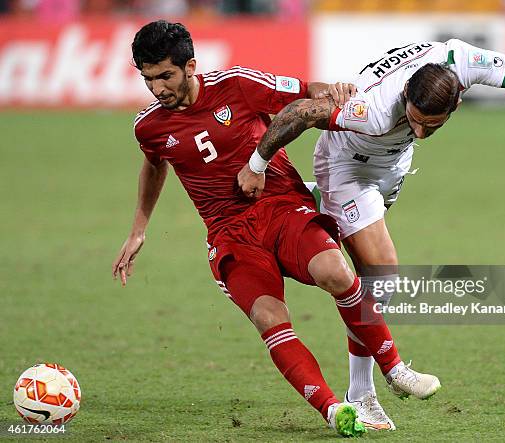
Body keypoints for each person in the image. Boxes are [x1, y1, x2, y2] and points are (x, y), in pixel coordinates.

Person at [237, 39, 505, 430]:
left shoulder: (460, 62)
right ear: (407, 94)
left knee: (372, 283)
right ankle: (365, 391)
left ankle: (307, 204)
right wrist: (257, 164)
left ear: (458, 102)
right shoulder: (375, 112)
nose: (420, 131)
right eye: (413, 119)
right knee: (382, 273)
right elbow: (301, 112)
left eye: (431, 124)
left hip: (390, 169)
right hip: (347, 167)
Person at [112, 20, 439, 437]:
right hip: (230, 235)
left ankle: (395, 371)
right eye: (148, 79)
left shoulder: (237, 85)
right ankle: (333, 409)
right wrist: (139, 228)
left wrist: (335, 90)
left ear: (190, 66)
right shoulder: (149, 126)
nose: (158, 89)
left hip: (282, 208)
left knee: (337, 273)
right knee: (270, 317)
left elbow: (308, 91)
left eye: (166, 76)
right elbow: (154, 163)